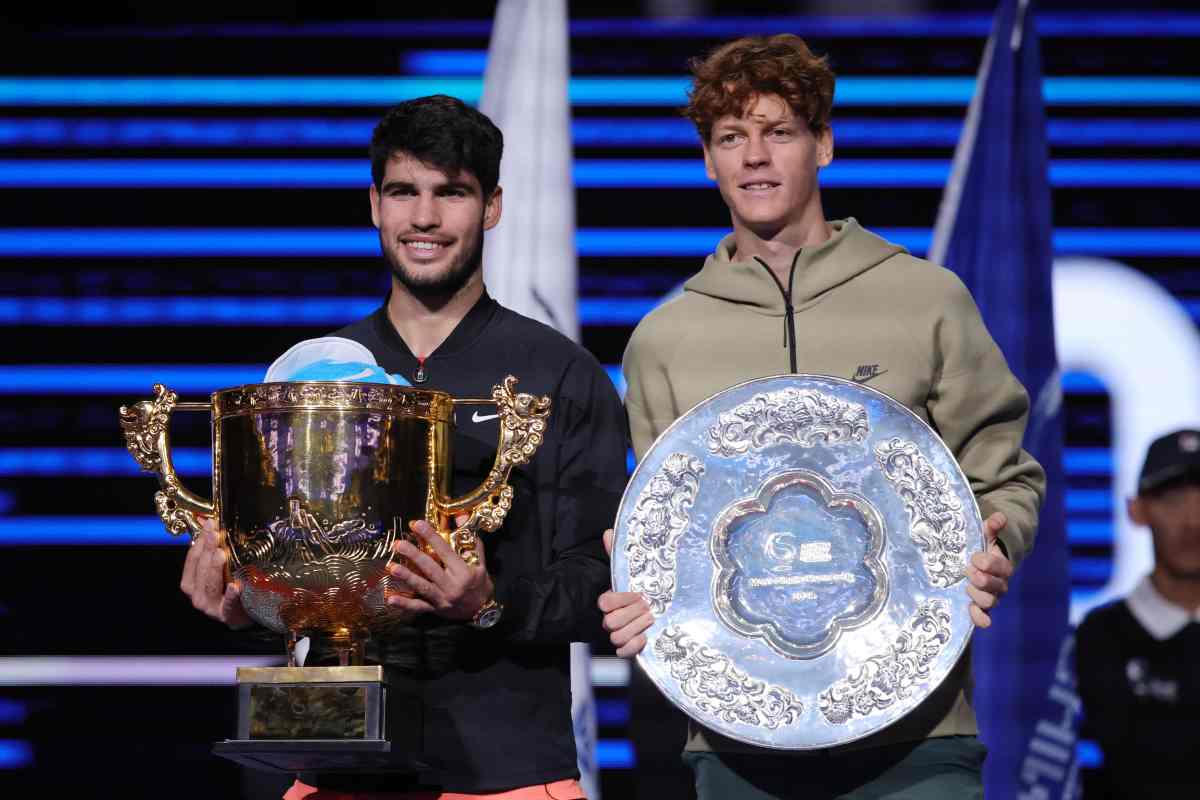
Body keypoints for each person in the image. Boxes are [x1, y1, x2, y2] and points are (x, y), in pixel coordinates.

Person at [598, 34, 1046, 798]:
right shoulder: (664, 340)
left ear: (824, 145)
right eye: (731, 138)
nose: (754, 157)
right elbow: (668, 532)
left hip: (921, 735)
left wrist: (998, 543)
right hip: (735, 748)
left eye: (779, 132)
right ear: (708, 160)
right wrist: (632, 588)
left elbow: (1005, 479)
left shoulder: (926, 299)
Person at [180, 94, 629, 799]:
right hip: (333, 765)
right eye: (403, 192)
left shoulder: (560, 375)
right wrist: (249, 602)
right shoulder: (314, 378)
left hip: (507, 770)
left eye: (451, 192)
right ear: (374, 204)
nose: (424, 218)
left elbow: (602, 576)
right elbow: (300, 573)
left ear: (493, 206)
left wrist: (487, 603)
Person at [1075, 429, 1200, 799]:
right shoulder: (1100, 635)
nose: (1193, 521)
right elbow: (1132, 762)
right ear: (1137, 510)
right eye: (1173, 499)